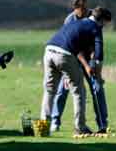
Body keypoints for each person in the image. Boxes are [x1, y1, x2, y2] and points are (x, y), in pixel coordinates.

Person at [41, 7, 111, 136]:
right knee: (79, 91)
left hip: (49, 50)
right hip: (64, 54)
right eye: (105, 24)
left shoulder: (76, 22)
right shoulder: (96, 27)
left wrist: (83, 67)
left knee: (50, 90)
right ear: (101, 21)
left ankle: (44, 126)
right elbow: (99, 56)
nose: (104, 27)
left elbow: (75, 47)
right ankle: (80, 126)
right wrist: (99, 76)